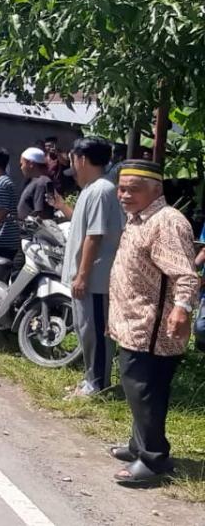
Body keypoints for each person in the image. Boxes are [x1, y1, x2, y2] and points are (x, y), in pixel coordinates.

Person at [106, 160, 198, 486]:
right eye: (121, 188)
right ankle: (138, 446)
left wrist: (182, 309)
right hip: (132, 323)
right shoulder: (139, 219)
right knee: (136, 390)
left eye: (134, 189)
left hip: (152, 330)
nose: (125, 194)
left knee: (146, 392)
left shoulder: (166, 222)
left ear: (156, 190)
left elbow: (186, 275)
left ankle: (154, 460)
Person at [49, 138, 124, 398]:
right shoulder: (92, 189)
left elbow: (95, 236)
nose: (72, 165)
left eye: (72, 159)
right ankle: (90, 379)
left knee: (97, 333)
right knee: (86, 331)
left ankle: (98, 385)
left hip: (95, 279)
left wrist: (82, 276)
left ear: (81, 159)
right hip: (87, 278)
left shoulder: (102, 190)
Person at [17, 147, 55, 221]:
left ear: (31, 164)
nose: (21, 168)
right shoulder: (32, 181)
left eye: (22, 164)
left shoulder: (42, 182)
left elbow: (42, 215)